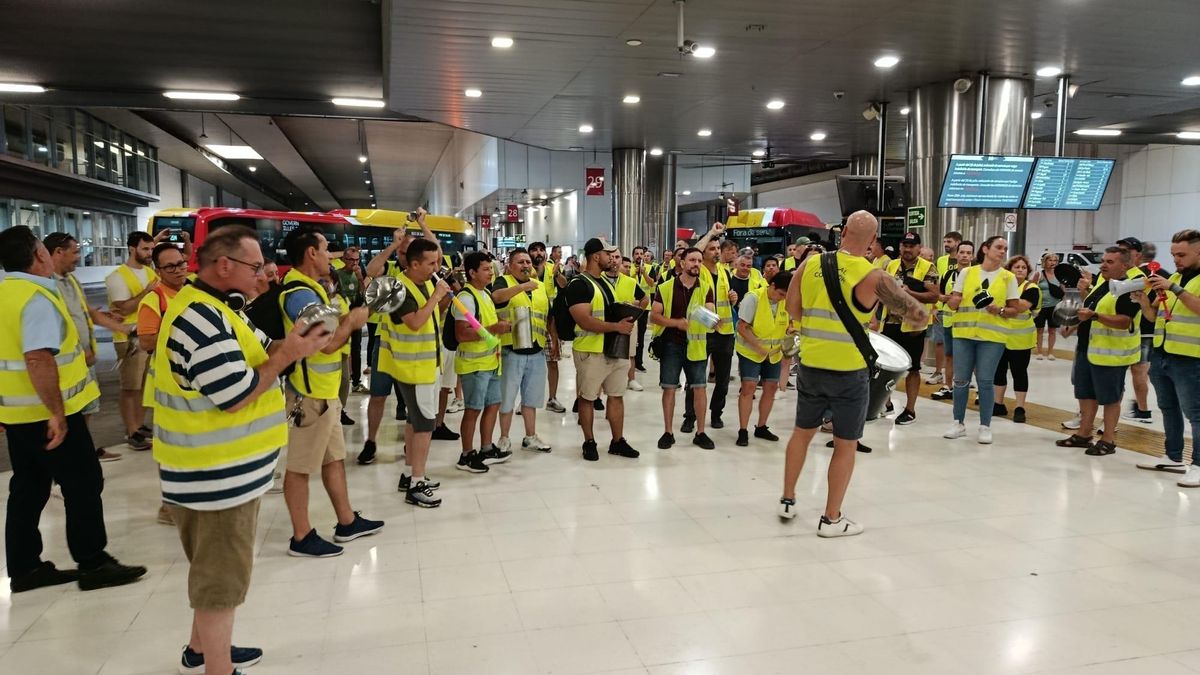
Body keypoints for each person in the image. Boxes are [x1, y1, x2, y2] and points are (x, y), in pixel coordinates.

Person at [151, 224, 329, 675]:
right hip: (212, 475)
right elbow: (235, 392)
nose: (265, 275)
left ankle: (204, 650)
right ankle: (217, 668)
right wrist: (288, 355)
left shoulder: (223, 310)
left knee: (216, 567)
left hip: (226, 471)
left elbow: (263, 349)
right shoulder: (198, 319)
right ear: (223, 265)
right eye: (256, 267)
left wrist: (296, 344)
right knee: (221, 578)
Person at [1, 225, 147, 594]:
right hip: (49, 414)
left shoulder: (5, 293)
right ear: (39, 256)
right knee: (83, 482)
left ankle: (24, 567)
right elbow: (37, 359)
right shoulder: (36, 297)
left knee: (29, 486)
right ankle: (93, 562)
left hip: (18, 414)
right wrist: (56, 413)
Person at [779, 212, 927, 535]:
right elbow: (916, 314)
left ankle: (788, 499)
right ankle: (831, 518)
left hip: (812, 366)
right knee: (845, 444)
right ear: (873, 242)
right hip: (849, 372)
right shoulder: (874, 276)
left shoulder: (810, 264)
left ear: (843, 231)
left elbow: (792, 309)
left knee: (801, 434)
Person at [276, 227, 381, 557]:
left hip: (325, 394)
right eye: (325, 250)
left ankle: (346, 521)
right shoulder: (299, 295)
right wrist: (354, 321)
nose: (330, 256)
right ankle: (301, 536)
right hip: (309, 396)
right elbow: (326, 345)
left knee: (334, 459)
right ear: (311, 253)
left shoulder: (314, 290)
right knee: (300, 467)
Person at [374, 237, 452, 507]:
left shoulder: (424, 282)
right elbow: (416, 322)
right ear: (414, 263)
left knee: (413, 421)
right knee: (424, 426)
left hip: (426, 366)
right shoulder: (399, 289)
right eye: (430, 263)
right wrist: (436, 296)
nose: (435, 267)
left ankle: (410, 474)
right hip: (413, 370)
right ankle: (417, 483)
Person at [44, 232, 129, 463]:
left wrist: (117, 325)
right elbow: (56, 325)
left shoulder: (70, 280)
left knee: (88, 409)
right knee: (68, 415)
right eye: (75, 251)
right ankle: (64, 463)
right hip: (68, 364)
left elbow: (86, 312)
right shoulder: (47, 284)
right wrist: (80, 353)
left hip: (85, 362)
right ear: (58, 252)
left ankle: (85, 453)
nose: (79, 257)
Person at [1055, 247, 1140, 456]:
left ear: (1125, 265)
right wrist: (1072, 321)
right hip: (1087, 348)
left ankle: (1108, 440)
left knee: (1110, 398)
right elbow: (1087, 308)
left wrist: (1095, 316)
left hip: (1110, 353)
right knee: (1085, 394)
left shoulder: (1129, 289)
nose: (1103, 265)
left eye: (1110, 262)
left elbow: (1125, 320)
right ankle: (1084, 434)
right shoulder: (1102, 284)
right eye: (1103, 260)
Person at [1136, 229, 1200, 485]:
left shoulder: (1178, 282)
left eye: (1182, 255)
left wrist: (1175, 288)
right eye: (1173, 255)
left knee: (1196, 413)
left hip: (1191, 356)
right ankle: (1173, 456)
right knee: (1168, 407)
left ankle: (1198, 463)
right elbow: (1155, 317)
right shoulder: (1175, 276)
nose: (1176, 260)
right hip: (1163, 353)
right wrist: (1143, 300)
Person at [565, 238, 638, 460]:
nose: (613, 259)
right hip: (591, 351)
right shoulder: (579, 285)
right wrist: (617, 326)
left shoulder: (606, 283)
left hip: (614, 350)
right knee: (587, 398)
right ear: (596, 256)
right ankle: (589, 441)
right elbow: (584, 320)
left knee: (616, 395)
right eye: (608, 254)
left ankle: (618, 440)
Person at [944, 236, 1021, 444]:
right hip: (963, 334)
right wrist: (952, 300)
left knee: (986, 381)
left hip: (992, 337)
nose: (1002, 251)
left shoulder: (1008, 278)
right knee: (960, 381)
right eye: (998, 247)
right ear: (985, 249)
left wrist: (1001, 310)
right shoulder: (967, 273)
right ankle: (958, 423)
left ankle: (985, 426)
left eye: (1005, 248)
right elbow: (953, 303)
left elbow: (1015, 309)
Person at [136, 242, 191, 525]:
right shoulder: (154, 300)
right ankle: (168, 506)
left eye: (181, 263)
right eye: (171, 266)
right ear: (158, 270)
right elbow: (146, 341)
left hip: (192, 384)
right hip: (166, 387)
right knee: (170, 448)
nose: (179, 270)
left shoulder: (194, 291)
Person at [651, 246, 717, 450]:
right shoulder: (666, 287)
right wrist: (675, 323)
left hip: (697, 346)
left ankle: (701, 432)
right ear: (682, 263)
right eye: (692, 260)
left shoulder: (706, 287)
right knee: (669, 388)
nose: (696, 264)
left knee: (700, 388)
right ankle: (668, 432)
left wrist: (712, 318)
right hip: (671, 345)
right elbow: (654, 316)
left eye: (699, 261)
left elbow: (711, 316)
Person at [454, 250, 513, 472]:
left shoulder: (485, 294)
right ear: (472, 272)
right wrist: (494, 328)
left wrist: (499, 324)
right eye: (486, 269)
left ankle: (486, 448)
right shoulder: (466, 298)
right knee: (473, 409)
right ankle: (467, 454)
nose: (491, 272)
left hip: (491, 363)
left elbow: (486, 323)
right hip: (474, 365)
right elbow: (462, 333)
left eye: (491, 268)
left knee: (492, 405)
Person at [491, 247, 553, 454]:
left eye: (528, 262)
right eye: (520, 262)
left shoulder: (541, 286)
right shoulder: (504, 282)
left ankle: (530, 436)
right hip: (512, 350)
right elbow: (497, 298)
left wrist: (555, 339)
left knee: (532, 398)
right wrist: (522, 287)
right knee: (507, 397)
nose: (526, 265)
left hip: (536, 349)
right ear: (510, 265)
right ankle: (504, 437)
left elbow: (548, 314)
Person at [105, 230, 161, 451]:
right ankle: (131, 430)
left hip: (147, 336)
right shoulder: (118, 276)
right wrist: (147, 292)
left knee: (144, 386)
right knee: (130, 388)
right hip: (128, 339)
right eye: (145, 249)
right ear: (132, 249)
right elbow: (124, 307)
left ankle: (139, 425)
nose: (149, 253)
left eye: (151, 249)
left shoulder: (149, 272)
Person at [879, 231, 939, 425]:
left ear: (919, 248)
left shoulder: (928, 268)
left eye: (912, 246)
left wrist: (909, 292)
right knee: (885, 366)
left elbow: (933, 296)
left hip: (914, 326)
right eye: (905, 245)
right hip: (890, 323)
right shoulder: (891, 265)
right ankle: (884, 402)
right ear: (900, 247)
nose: (908, 249)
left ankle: (910, 409)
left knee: (913, 368)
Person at [687, 223, 736, 431]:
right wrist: (711, 234)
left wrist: (733, 298)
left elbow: (725, 299)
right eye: (712, 248)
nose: (716, 252)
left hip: (725, 332)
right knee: (696, 379)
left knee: (723, 380)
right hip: (702, 332)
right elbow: (695, 250)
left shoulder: (725, 272)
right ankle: (690, 417)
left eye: (718, 248)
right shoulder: (698, 270)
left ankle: (716, 414)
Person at [734, 271, 791, 446]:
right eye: (781, 294)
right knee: (748, 388)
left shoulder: (785, 302)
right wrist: (758, 347)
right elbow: (742, 327)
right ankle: (743, 430)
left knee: (770, 388)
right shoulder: (753, 298)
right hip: (751, 352)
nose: (782, 298)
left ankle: (761, 426)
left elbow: (786, 325)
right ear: (772, 286)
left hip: (773, 355)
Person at [993, 256, 1040, 424]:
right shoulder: (1004, 285)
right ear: (1009, 270)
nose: (1020, 270)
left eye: (1023, 267)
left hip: (1021, 339)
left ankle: (1020, 407)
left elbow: (1021, 307)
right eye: (1016, 267)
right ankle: (998, 403)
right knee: (999, 371)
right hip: (1001, 336)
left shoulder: (1031, 288)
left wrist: (1000, 308)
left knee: (1019, 372)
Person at [1117, 237, 1155, 423]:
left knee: (1137, 372)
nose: (1122, 254)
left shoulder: (1140, 276)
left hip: (1141, 331)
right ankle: (1142, 410)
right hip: (1132, 331)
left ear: (1138, 255)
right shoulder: (1119, 274)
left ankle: (1142, 410)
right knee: (1137, 372)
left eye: (1126, 250)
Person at [529, 241, 568, 413]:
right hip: (529, 320)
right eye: (534, 250)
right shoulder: (524, 269)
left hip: (550, 319)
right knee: (527, 363)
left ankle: (552, 398)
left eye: (541, 250)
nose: (538, 253)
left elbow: (563, 284)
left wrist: (557, 273)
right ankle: (526, 400)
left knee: (553, 360)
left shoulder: (553, 267)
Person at [610, 253, 650, 391]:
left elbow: (645, 299)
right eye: (625, 266)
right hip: (608, 323)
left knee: (631, 352)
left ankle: (631, 379)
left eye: (628, 266)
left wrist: (635, 311)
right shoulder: (601, 279)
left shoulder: (631, 282)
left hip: (629, 323)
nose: (627, 269)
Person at [928, 231, 963, 386]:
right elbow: (937, 284)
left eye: (949, 241)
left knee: (962, 345)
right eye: (945, 241)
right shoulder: (941, 261)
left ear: (958, 242)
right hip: (943, 308)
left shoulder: (969, 263)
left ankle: (962, 375)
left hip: (962, 310)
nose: (946, 244)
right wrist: (935, 305)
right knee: (940, 342)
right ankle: (938, 372)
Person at [334, 245, 367, 394]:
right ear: (343, 259)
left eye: (357, 260)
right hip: (342, 317)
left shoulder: (359, 273)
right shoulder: (337, 274)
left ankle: (356, 381)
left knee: (356, 348)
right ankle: (341, 379)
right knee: (342, 349)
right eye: (350, 260)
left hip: (356, 315)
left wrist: (360, 278)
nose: (354, 263)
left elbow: (364, 295)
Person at [1031, 252, 1063, 361]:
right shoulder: (1039, 274)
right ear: (1045, 262)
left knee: (1052, 330)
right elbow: (1031, 287)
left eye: (1055, 261)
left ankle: (1050, 352)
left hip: (1054, 306)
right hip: (1041, 306)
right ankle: (1039, 351)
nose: (1052, 263)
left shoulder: (1059, 275)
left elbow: (1063, 290)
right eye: (1050, 260)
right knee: (1039, 329)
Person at [631, 246, 657, 372]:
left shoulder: (650, 268)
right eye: (637, 253)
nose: (639, 256)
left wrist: (644, 273)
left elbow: (652, 284)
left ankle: (638, 362)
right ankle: (628, 362)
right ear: (633, 256)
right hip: (630, 305)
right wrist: (634, 273)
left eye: (641, 253)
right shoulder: (627, 268)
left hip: (644, 307)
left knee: (640, 335)